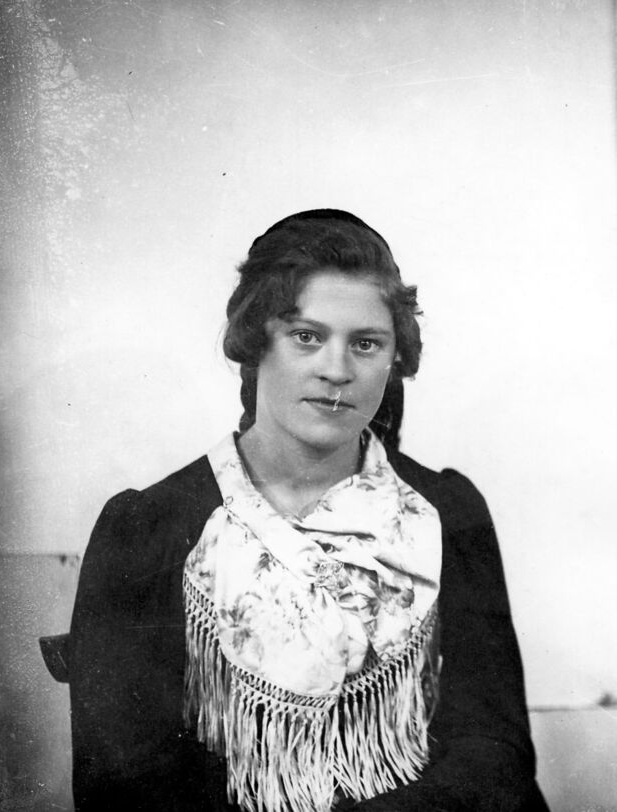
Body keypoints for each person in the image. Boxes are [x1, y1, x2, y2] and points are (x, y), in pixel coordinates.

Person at [68, 210, 549, 812]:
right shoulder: (150, 527)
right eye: (306, 336)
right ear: (255, 342)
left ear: (394, 359)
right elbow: (120, 785)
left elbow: (494, 751)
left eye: (366, 344)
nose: (337, 370)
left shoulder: (446, 512)